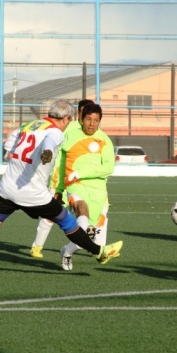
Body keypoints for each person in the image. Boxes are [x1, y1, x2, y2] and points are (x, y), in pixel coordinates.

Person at [0, 100, 123, 280]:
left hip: (8, 187)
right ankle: (99, 253)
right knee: (67, 221)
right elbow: (50, 141)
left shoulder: (30, 125)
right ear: (65, 118)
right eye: (69, 120)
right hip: (32, 193)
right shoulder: (56, 132)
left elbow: (9, 145)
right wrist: (46, 152)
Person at [30, 99, 95, 259]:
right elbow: (59, 152)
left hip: (76, 180)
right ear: (78, 113)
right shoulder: (68, 127)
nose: (86, 117)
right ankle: (37, 246)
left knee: (82, 209)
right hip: (60, 176)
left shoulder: (89, 131)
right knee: (51, 212)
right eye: (84, 112)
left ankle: (85, 244)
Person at [56, 103, 115, 270]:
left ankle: (66, 251)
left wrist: (82, 172)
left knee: (91, 241)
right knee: (82, 211)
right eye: (88, 119)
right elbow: (60, 165)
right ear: (81, 119)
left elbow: (108, 168)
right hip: (76, 186)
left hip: (99, 191)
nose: (92, 124)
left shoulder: (105, 140)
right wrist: (59, 189)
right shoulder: (69, 136)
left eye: (96, 120)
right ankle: (81, 233)